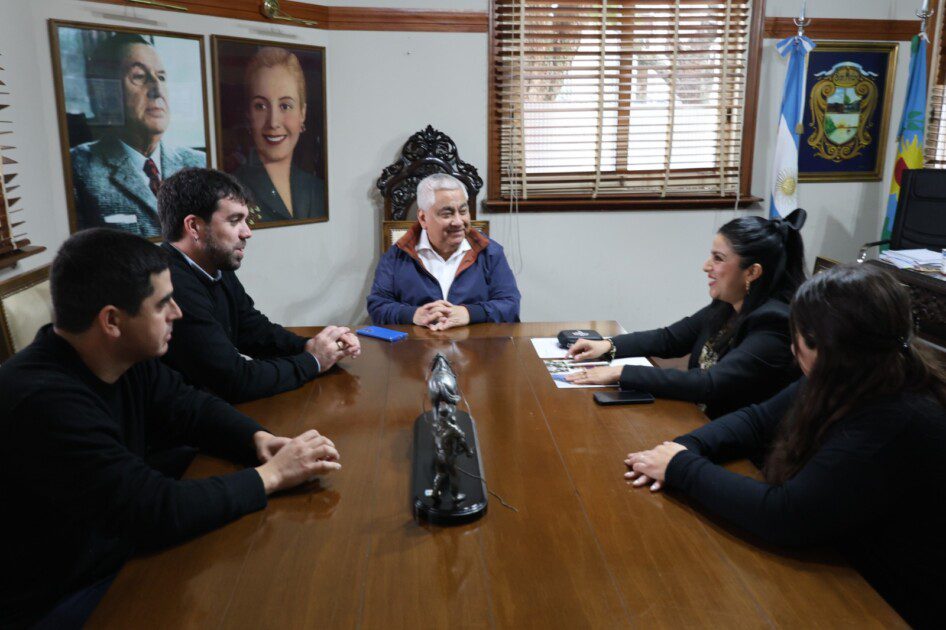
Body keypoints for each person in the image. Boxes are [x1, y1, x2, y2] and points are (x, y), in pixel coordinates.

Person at [0, 229, 341, 628]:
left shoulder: (119, 354)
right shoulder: (43, 401)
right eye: (163, 303)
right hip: (55, 596)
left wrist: (258, 439)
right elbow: (153, 509)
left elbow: (189, 406)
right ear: (112, 321)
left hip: (111, 547)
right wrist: (272, 476)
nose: (177, 312)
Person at [624, 264, 946, 628]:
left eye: (799, 338)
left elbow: (784, 515)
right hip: (837, 555)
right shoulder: (852, 370)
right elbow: (757, 420)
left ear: (828, 345)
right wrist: (682, 448)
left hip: (888, 600)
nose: (793, 351)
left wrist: (682, 467)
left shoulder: (894, 418)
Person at [566, 209, 807, 419]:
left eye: (718, 258)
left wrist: (620, 372)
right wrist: (608, 346)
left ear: (752, 272)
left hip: (737, 441)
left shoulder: (774, 323)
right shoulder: (728, 304)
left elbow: (710, 383)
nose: (706, 266)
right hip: (698, 417)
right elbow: (669, 339)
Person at [157, 168, 358, 403]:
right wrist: (313, 361)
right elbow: (235, 380)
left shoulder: (214, 263)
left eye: (246, 220)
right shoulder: (170, 284)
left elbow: (253, 330)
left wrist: (312, 346)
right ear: (194, 227)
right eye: (235, 221)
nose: (247, 232)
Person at [71, 33, 206, 237]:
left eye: (161, 77)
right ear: (106, 92)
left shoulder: (199, 163)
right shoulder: (79, 167)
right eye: (139, 76)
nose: (157, 89)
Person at [367, 173, 521, 330]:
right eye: (447, 214)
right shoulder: (398, 255)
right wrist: (413, 314)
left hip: (474, 343)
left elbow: (510, 305)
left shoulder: (489, 252)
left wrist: (470, 313)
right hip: (417, 343)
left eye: (463, 211)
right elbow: (377, 306)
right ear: (423, 218)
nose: (458, 222)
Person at [231, 46, 326, 223]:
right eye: (261, 106)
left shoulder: (319, 190)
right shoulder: (231, 190)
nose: (273, 122)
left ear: (302, 113)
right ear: (248, 114)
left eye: (285, 106)